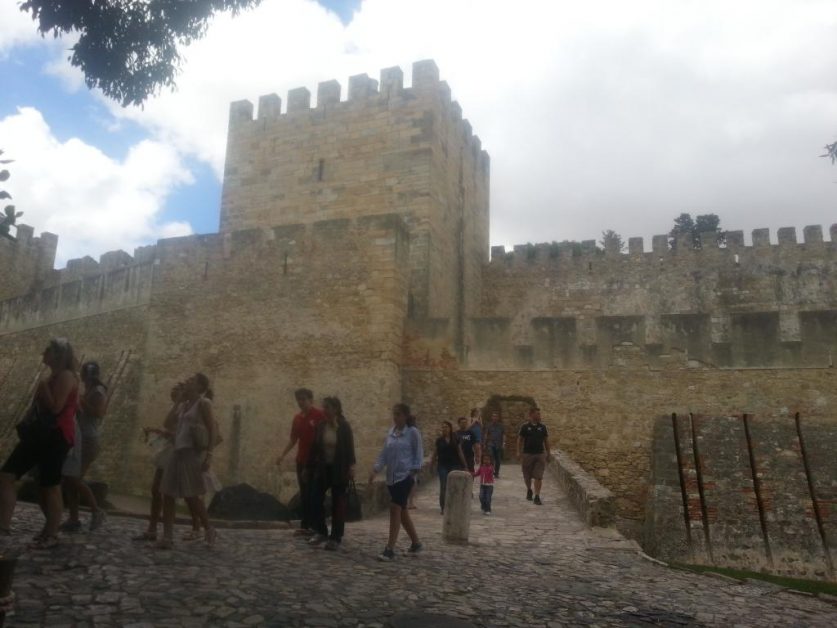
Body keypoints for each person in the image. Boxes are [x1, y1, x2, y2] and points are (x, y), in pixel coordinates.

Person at [0, 338, 79, 549]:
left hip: (56, 436)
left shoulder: (66, 376)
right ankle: (4, 526)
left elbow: (56, 408)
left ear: (58, 355)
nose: (43, 353)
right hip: (38, 434)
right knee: (7, 475)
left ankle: (51, 533)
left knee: (50, 486)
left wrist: (43, 386)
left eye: (48, 350)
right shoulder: (53, 376)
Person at [133, 382, 201, 542]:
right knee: (156, 490)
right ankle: (153, 528)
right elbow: (169, 424)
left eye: (177, 390)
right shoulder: (179, 407)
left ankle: (198, 526)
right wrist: (160, 431)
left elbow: (179, 430)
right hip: (169, 451)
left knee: (188, 493)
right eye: (173, 389)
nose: (173, 392)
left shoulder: (189, 408)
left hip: (179, 452)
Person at [156, 373, 218, 549]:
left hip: (192, 454)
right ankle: (167, 537)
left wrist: (209, 455)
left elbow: (212, 429)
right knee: (167, 494)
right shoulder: (184, 405)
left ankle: (209, 528)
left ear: (199, 387)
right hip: (177, 452)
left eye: (191, 381)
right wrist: (178, 401)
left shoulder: (204, 404)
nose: (187, 382)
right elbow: (167, 423)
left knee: (192, 496)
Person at [369, 403, 423, 561]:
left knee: (394, 508)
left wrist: (412, 473)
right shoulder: (391, 433)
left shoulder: (413, 432)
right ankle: (416, 543)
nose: (395, 417)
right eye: (394, 414)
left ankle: (390, 549)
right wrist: (375, 469)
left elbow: (419, 455)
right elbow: (384, 454)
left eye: (398, 414)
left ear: (405, 416)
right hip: (391, 478)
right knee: (402, 512)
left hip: (404, 477)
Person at [60, 361, 108, 532]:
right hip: (79, 437)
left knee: (74, 478)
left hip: (89, 439)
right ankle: (73, 518)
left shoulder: (98, 391)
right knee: (69, 479)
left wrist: (81, 401)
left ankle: (96, 511)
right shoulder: (88, 390)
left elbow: (99, 413)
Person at [307, 396, 356, 551]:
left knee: (338, 504)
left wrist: (351, 467)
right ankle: (320, 531)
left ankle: (335, 537)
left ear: (335, 408)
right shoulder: (321, 426)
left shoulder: (343, 427)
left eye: (327, 407)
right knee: (315, 499)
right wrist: (307, 467)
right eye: (324, 407)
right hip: (323, 469)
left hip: (339, 469)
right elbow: (314, 447)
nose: (324, 410)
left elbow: (349, 448)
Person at [276, 388, 325, 537]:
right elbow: (293, 439)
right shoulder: (297, 419)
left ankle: (315, 526)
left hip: (315, 461)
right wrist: (282, 455)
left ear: (311, 399)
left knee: (314, 494)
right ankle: (306, 525)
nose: (301, 402)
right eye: (299, 399)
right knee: (304, 494)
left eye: (303, 399)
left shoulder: (319, 415)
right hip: (301, 460)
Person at [517, 406, 551, 505]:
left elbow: (546, 441)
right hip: (527, 454)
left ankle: (537, 496)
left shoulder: (543, 427)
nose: (539, 415)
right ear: (531, 414)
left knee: (538, 476)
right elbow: (519, 439)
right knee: (527, 476)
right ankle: (529, 489)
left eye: (539, 414)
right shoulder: (525, 427)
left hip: (540, 454)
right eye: (538, 413)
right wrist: (518, 452)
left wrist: (548, 453)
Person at [430, 421, 466, 514]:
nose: (444, 429)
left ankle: (453, 505)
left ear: (450, 428)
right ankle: (443, 507)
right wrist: (431, 464)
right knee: (443, 486)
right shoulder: (439, 440)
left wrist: (465, 465)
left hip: (454, 465)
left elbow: (460, 452)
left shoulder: (455, 439)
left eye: (446, 427)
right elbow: (435, 453)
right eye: (443, 427)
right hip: (442, 465)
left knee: (453, 486)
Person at [406, 414, 420, 510]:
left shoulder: (413, 431)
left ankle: (410, 502)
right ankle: (409, 502)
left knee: (411, 482)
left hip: (410, 462)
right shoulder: (409, 431)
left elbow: (417, 448)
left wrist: (416, 464)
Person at [484, 411, 504, 478]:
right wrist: (484, 443)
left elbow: (503, 435)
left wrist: (504, 443)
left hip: (498, 444)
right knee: (491, 458)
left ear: (498, 418)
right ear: (491, 417)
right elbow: (486, 434)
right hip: (491, 444)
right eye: (493, 416)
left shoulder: (501, 426)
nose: (495, 418)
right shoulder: (488, 425)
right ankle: (491, 472)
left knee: (498, 459)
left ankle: (496, 473)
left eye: (496, 416)